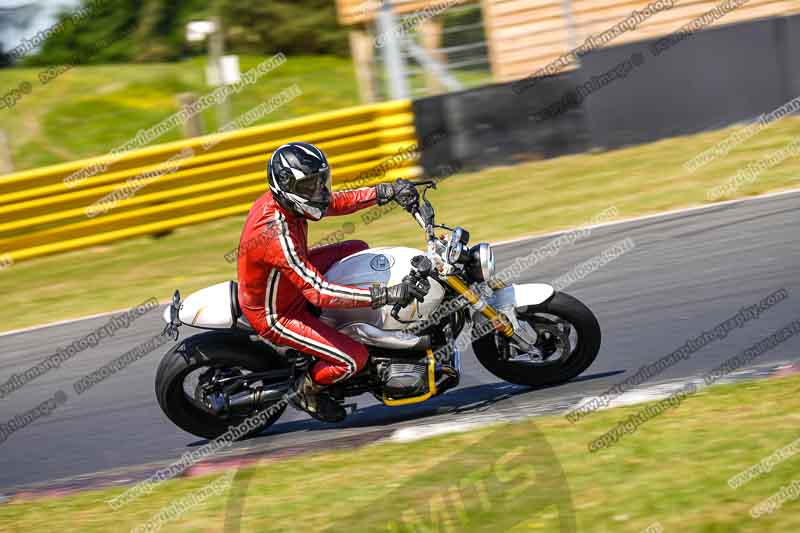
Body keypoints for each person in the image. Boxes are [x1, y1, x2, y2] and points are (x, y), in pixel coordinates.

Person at [237, 142, 427, 422]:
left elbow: (333, 202)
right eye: (309, 186)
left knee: (358, 248)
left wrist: (385, 192)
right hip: (277, 313)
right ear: (287, 187)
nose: (318, 192)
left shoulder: (291, 202)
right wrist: (385, 294)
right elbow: (317, 292)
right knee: (353, 359)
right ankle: (306, 390)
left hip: (288, 284)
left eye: (320, 182)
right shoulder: (275, 234)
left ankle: (349, 319)